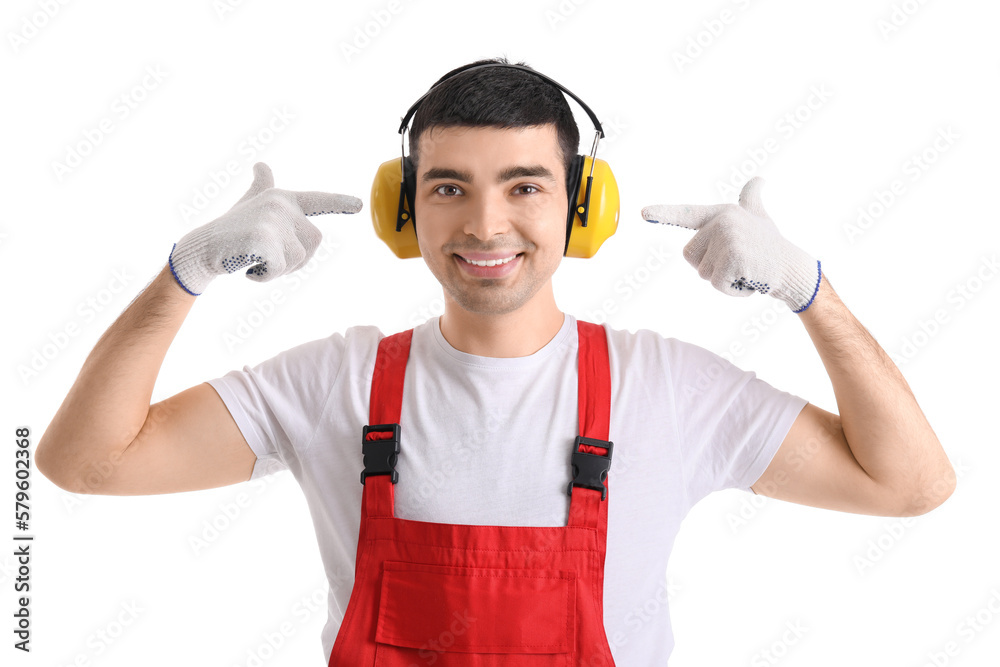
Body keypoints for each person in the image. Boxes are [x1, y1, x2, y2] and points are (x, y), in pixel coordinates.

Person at [36, 57, 956, 665]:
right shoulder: (333, 382)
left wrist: (810, 293)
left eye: (525, 186)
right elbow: (85, 462)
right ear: (406, 213)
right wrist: (186, 273)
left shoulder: (668, 389)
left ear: (580, 208)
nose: (485, 225)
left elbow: (911, 484)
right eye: (448, 188)